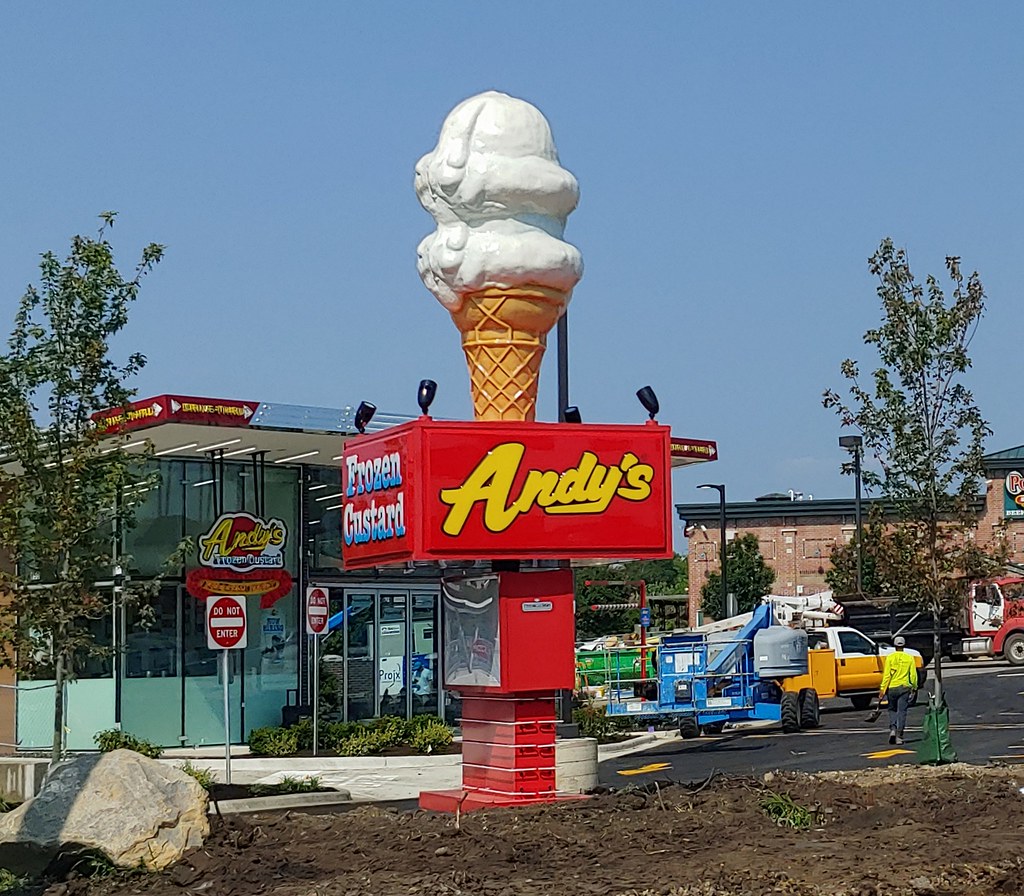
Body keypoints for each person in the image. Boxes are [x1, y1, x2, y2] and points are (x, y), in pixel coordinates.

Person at [878, 636, 918, 745]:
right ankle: (899, 735)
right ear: (904, 645)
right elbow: (913, 675)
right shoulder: (909, 658)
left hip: (892, 688)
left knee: (892, 709)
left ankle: (892, 728)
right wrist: (914, 687)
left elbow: (886, 675)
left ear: (895, 646)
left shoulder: (890, 658)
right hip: (904, 687)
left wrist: (882, 690)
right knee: (902, 711)